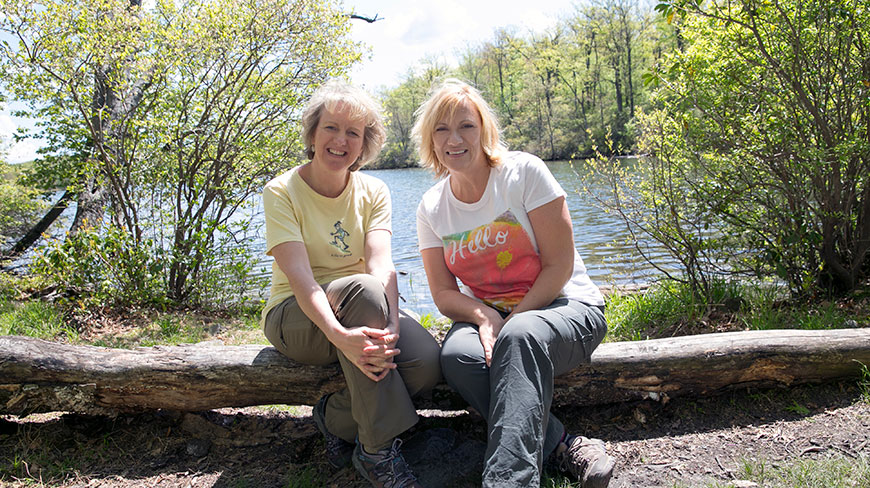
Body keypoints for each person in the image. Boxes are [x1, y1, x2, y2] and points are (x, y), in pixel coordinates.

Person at [412, 79, 614, 488]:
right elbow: (443, 293)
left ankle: (508, 480)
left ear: (484, 130)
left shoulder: (523, 173)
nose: (455, 139)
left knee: (518, 337)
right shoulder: (432, 207)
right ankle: (562, 443)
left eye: (466, 126)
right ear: (429, 140)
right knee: (458, 357)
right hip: (499, 319)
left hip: (566, 308)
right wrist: (484, 316)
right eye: (442, 129)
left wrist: (510, 323)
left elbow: (559, 266)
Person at [261, 79, 441, 488]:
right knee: (361, 289)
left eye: (353, 132)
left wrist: (394, 325)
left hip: (366, 307)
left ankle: (333, 418)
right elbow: (302, 280)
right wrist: (340, 335)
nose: (340, 140)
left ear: (364, 144)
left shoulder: (374, 190)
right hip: (298, 317)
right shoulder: (281, 191)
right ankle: (377, 453)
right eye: (331, 127)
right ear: (312, 133)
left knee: (425, 363)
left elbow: (383, 264)